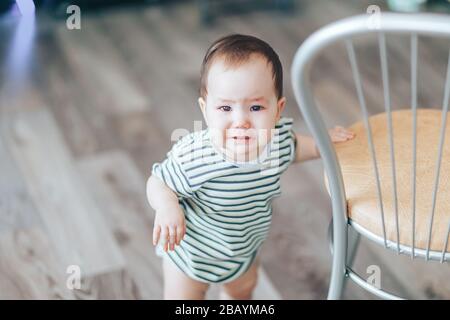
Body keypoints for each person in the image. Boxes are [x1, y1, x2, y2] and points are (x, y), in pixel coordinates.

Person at [146, 34, 355, 300]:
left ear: (277, 110)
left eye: (255, 107)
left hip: (242, 254)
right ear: (205, 109)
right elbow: (158, 181)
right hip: (189, 257)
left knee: (242, 293)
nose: (240, 121)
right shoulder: (197, 154)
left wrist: (321, 143)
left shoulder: (275, 143)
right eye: (224, 107)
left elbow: (296, 147)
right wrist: (167, 206)